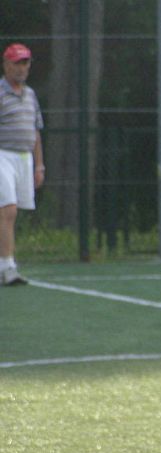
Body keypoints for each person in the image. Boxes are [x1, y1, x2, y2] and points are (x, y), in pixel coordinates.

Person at [1, 43, 44, 286]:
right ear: (6, 64)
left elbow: (35, 131)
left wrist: (39, 165)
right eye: (17, 63)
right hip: (2, 156)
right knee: (8, 210)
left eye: (25, 63)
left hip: (24, 159)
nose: (21, 68)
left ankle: (4, 263)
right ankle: (8, 267)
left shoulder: (30, 95)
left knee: (10, 213)